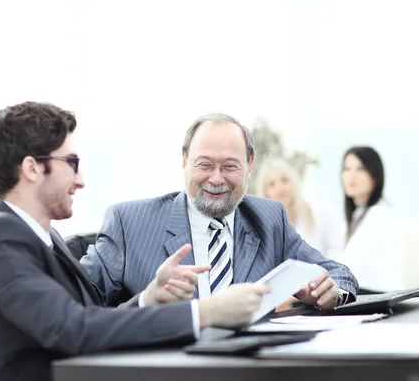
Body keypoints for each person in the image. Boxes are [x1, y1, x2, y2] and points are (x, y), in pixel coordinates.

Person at [0, 102, 269, 381]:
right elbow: (75, 330)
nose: (81, 179)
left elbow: (88, 317)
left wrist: (149, 298)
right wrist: (206, 312)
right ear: (32, 168)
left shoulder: (35, 236)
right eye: (71, 163)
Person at [80, 113, 358, 310]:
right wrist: (144, 305)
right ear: (184, 161)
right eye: (204, 165)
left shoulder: (268, 218)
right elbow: (76, 301)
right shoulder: (130, 223)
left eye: (229, 166)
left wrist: (328, 290)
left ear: (249, 165)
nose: (216, 178)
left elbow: (338, 273)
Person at [336, 146, 405, 294]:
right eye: (347, 169)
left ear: (375, 176)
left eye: (360, 169)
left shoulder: (378, 215)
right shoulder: (357, 216)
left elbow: (346, 266)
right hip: (365, 294)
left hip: (378, 295)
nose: (351, 176)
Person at [255, 157, 343, 256]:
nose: (280, 188)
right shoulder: (262, 232)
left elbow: (339, 250)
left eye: (285, 180)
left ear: (294, 182)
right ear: (265, 193)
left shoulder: (321, 213)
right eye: (272, 184)